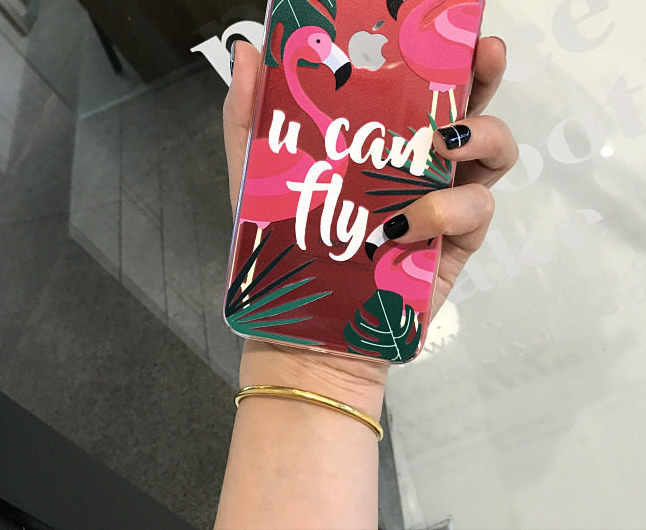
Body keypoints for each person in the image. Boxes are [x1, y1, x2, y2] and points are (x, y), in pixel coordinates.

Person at [215, 37, 517, 530]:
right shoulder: (286, 161)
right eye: (322, 46)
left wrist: (333, 376)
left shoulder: (306, 164)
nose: (337, 60)